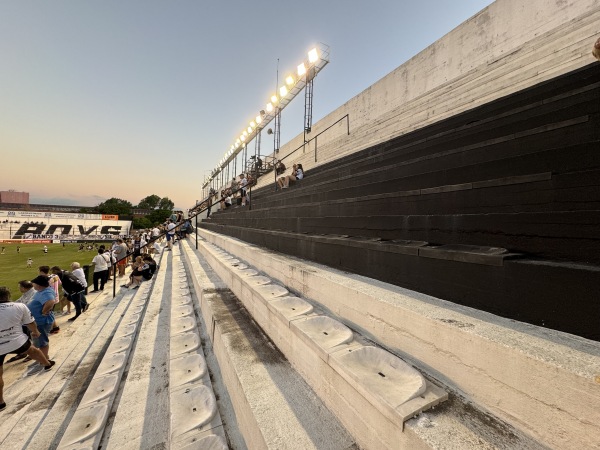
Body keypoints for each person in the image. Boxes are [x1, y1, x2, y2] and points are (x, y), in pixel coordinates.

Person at [0, 286, 55, 411]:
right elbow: (30, 322)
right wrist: (35, 331)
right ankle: (47, 364)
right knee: (33, 350)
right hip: (17, 342)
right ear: (8, 296)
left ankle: (1, 402)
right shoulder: (19, 306)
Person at [27, 276, 57, 360]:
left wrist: (44, 312)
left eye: (34, 283)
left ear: (39, 285)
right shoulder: (42, 290)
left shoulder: (46, 292)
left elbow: (51, 301)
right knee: (39, 341)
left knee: (42, 342)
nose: (33, 284)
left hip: (41, 322)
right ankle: (42, 359)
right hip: (38, 322)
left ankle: (44, 360)